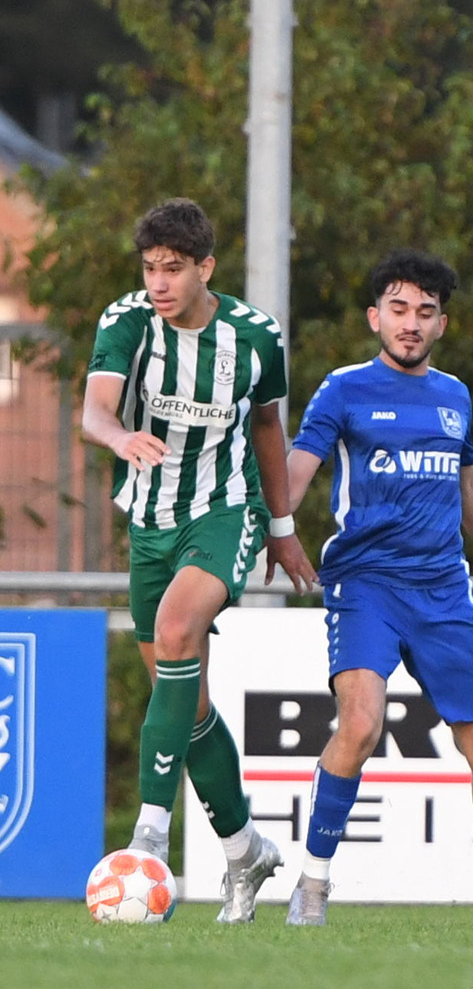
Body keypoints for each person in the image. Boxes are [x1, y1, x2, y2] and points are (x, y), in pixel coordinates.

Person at [280, 248, 473, 929]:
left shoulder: (453, 396)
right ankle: (311, 887)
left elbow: (467, 485)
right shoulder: (342, 389)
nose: (410, 324)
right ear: (374, 318)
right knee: (358, 725)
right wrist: (280, 528)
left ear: (440, 324)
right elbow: (298, 465)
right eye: (397, 310)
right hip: (364, 583)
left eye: (424, 312)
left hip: (443, 590)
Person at [82, 197, 317, 924]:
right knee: (186, 703)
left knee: (180, 631)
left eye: (173, 269)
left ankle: (149, 834)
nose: (158, 282)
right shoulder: (127, 323)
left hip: (223, 512)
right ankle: (245, 851)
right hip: (149, 524)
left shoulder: (254, 337)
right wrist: (119, 440)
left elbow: (270, 429)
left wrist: (279, 527)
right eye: (150, 267)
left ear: (205, 268)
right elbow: (93, 409)